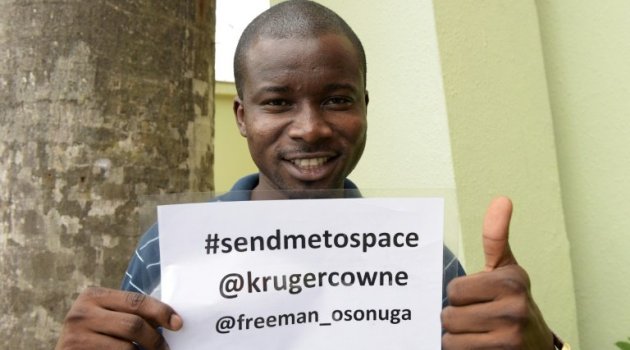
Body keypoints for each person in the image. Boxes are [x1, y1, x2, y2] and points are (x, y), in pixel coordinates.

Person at [56, 1, 564, 349]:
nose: (311, 129)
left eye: (337, 100)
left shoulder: (422, 256)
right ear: (241, 118)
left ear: (364, 107)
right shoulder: (168, 249)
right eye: (277, 103)